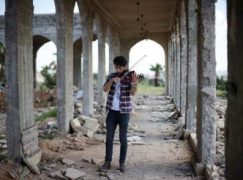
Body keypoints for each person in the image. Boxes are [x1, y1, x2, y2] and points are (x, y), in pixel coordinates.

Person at [98, 56, 139, 173]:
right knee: (109, 137)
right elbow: (105, 89)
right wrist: (111, 81)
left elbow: (133, 93)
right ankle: (107, 162)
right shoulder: (112, 76)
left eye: (120, 68)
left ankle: (122, 163)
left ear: (125, 67)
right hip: (112, 111)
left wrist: (135, 83)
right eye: (116, 67)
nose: (118, 70)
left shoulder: (130, 77)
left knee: (123, 138)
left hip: (124, 112)